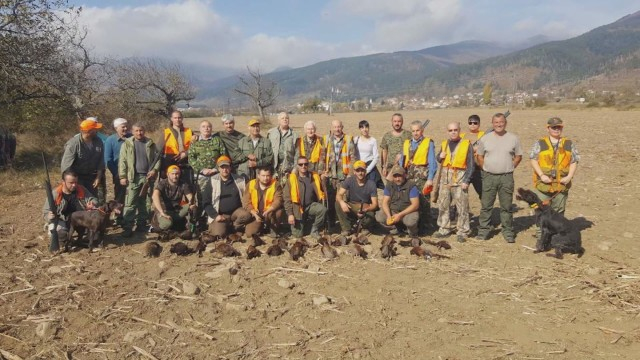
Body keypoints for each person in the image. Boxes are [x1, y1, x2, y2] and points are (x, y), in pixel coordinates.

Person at [476, 113, 523, 243]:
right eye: (496, 122)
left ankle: (507, 231)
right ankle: (484, 231)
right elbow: (479, 156)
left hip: (506, 177)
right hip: (489, 176)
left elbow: (518, 156)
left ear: (505, 123)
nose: (499, 124)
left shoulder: (513, 138)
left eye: (501, 122)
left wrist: (510, 166)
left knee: (506, 206)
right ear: (492, 124)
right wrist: (484, 167)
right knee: (486, 206)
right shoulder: (485, 138)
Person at [529, 117, 580, 236]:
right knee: (541, 211)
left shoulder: (569, 143)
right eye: (554, 127)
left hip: (562, 184)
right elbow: (533, 159)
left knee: (558, 212)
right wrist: (541, 175)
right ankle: (541, 236)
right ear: (548, 128)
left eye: (559, 127)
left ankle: (556, 236)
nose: (557, 129)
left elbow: (574, 161)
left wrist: (569, 177)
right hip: (543, 184)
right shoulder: (540, 143)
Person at [435, 122, 474, 243]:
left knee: (462, 207)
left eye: (455, 130)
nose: (453, 132)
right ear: (448, 131)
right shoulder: (444, 144)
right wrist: (439, 156)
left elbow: (471, 165)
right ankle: (444, 228)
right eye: (450, 130)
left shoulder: (466, 145)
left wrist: (466, 181)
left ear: (459, 130)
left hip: (460, 181)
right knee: (443, 205)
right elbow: (438, 159)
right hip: (445, 180)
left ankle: (462, 231)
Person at [118, 124, 161, 237]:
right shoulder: (127, 144)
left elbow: (157, 159)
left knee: (146, 203)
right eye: (136, 131)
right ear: (132, 131)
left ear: (144, 131)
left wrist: (154, 170)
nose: (139, 133)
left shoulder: (150, 143)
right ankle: (127, 227)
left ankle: (141, 225)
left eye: (141, 130)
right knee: (130, 203)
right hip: (133, 178)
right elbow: (122, 161)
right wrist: (122, 176)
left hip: (148, 178)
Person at [202, 156, 253, 237]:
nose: (224, 170)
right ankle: (225, 227)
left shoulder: (240, 180)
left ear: (230, 167)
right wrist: (215, 216)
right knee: (218, 234)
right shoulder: (212, 181)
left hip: (236, 212)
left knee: (246, 214)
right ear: (218, 168)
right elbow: (205, 202)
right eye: (222, 167)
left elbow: (247, 197)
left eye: (227, 167)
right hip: (221, 214)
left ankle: (235, 227)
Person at [43, 170, 98, 244]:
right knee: (56, 233)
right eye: (71, 183)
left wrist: (92, 204)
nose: (74, 185)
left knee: (95, 235)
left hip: (80, 219)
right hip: (63, 220)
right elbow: (46, 212)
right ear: (63, 181)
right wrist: (49, 216)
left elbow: (93, 199)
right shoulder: (55, 194)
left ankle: (83, 239)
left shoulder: (81, 189)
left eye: (75, 182)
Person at [188, 120, 227, 226]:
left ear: (211, 128)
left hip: (215, 174)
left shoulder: (217, 140)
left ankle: (213, 218)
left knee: (216, 196)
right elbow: (191, 159)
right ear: (200, 129)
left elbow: (223, 156)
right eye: (204, 126)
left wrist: (215, 169)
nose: (206, 128)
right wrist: (202, 169)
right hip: (201, 176)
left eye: (208, 126)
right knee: (201, 198)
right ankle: (201, 220)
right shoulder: (195, 142)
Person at [402, 120, 437, 235]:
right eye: (413, 131)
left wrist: (430, 179)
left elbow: (432, 163)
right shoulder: (407, 143)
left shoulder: (428, 143)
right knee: (410, 202)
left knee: (424, 202)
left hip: (422, 177)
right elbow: (403, 161)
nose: (416, 133)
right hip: (409, 177)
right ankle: (412, 227)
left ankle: (425, 227)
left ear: (422, 130)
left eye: (418, 130)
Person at [60, 118, 105, 202]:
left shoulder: (98, 141)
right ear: (89, 131)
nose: (97, 131)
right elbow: (66, 166)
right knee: (78, 201)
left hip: (92, 178)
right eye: (95, 129)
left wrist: (98, 177)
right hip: (77, 178)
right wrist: (70, 182)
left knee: (93, 200)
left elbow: (100, 161)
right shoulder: (73, 144)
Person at [323, 119, 357, 230]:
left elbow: (353, 158)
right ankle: (332, 224)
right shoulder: (327, 139)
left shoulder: (348, 139)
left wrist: (350, 174)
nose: (337, 129)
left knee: (343, 200)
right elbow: (323, 157)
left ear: (342, 127)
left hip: (344, 176)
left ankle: (346, 225)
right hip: (330, 176)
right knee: (330, 201)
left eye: (339, 127)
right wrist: (323, 172)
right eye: (335, 127)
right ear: (331, 127)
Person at [283, 156, 327, 239]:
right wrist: (290, 214)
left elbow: (322, 191)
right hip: (297, 209)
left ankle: (315, 229)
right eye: (301, 164)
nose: (303, 166)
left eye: (305, 164)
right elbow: (287, 199)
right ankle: (304, 225)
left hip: (310, 206)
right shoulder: (292, 179)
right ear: (297, 166)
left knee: (322, 209)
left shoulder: (314, 177)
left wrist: (323, 177)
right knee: (298, 235)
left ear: (308, 165)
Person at [151, 165, 197, 236]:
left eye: (177, 174)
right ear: (167, 174)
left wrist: (191, 204)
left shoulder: (183, 184)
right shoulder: (162, 183)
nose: (175, 176)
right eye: (172, 174)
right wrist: (162, 212)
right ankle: (155, 226)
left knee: (194, 207)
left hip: (176, 210)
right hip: (164, 211)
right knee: (167, 224)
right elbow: (155, 196)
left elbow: (190, 197)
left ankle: (192, 227)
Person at [335, 160, 378, 235]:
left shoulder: (371, 184)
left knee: (371, 215)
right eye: (358, 171)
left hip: (365, 207)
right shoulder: (349, 180)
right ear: (354, 172)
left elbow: (375, 204)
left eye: (362, 170)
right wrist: (342, 203)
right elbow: (339, 194)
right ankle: (346, 228)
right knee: (337, 203)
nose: (360, 173)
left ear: (365, 171)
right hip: (352, 206)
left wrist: (365, 210)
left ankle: (365, 227)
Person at [375, 165, 420, 236]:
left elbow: (415, 205)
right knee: (379, 216)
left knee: (410, 221)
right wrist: (389, 215)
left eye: (399, 176)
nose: (397, 179)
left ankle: (412, 232)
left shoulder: (411, 186)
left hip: (407, 212)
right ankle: (395, 228)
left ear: (404, 175)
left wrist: (400, 215)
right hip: (393, 211)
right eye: (395, 176)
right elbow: (384, 202)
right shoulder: (389, 185)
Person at [243, 166, 285, 238]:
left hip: (269, 213)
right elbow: (246, 202)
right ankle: (261, 227)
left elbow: (278, 200)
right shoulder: (251, 184)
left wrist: (269, 210)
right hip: (256, 213)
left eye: (268, 176)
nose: (265, 178)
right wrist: (254, 214)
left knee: (279, 212)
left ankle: (273, 228)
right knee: (250, 234)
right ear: (258, 176)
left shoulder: (276, 184)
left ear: (271, 176)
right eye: (263, 176)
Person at [158, 110, 193, 183]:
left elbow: (196, 147)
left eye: (179, 117)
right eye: (175, 118)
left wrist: (186, 153)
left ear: (182, 118)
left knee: (187, 187)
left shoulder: (189, 131)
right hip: (170, 163)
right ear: (171, 119)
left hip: (186, 163)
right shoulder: (166, 132)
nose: (177, 120)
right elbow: (158, 150)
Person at [104, 118, 131, 208]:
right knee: (120, 196)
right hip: (118, 173)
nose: (126, 128)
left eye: (126, 126)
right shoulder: (110, 140)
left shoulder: (132, 137)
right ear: (116, 128)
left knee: (133, 195)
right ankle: (119, 217)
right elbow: (108, 159)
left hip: (133, 172)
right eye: (123, 127)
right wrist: (117, 174)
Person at [267, 112, 297, 184]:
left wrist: (295, 168)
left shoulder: (295, 135)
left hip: (288, 169)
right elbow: (267, 151)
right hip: (274, 169)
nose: (285, 120)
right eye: (282, 118)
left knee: (287, 192)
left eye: (286, 118)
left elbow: (297, 153)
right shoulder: (271, 133)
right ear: (278, 120)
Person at [380, 113, 412, 179]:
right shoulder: (387, 136)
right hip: (391, 167)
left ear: (402, 122)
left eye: (399, 121)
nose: (397, 123)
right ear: (391, 122)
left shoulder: (409, 135)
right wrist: (384, 167)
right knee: (391, 187)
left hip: (405, 167)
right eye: (395, 121)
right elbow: (384, 151)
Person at [354, 120, 384, 189]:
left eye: (366, 127)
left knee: (371, 187)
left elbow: (376, 157)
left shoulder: (373, 140)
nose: (364, 129)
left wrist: (367, 170)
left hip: (369, 167)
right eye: (362, 128)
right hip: (359, 167)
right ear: (359, 129)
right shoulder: (356, 139)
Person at [460, 114, 484, 198]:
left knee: (483, 192)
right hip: (464, 169)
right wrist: (471, 149)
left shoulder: (484, 135)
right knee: (460, 193)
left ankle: (486, 210)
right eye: (470, 123)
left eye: (475, 123)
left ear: (479, 124)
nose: (473, 125)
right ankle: (457, 210)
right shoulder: (462, 136)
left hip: (478, 170)